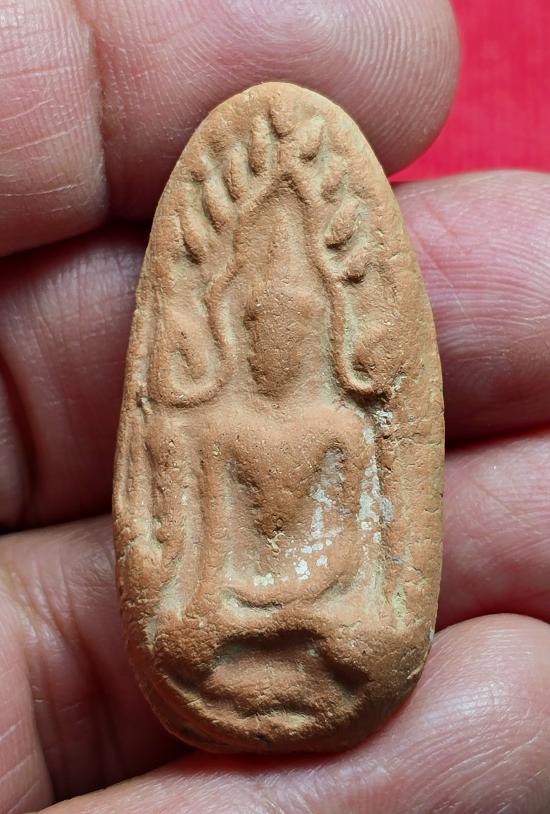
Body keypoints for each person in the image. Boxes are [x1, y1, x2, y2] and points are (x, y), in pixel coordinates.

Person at [0, 1, 549, 811]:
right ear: (238, 331)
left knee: (378, 642)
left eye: (294, 330)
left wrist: (315, 609)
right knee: (180, 637)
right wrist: (235, 610)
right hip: (233, 612)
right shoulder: (215, 427)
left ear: (321, 331)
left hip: (322, 610)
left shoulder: (341, 426)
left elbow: (360, 550)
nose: (277, 346)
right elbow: (194, 557)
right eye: (261, 329)